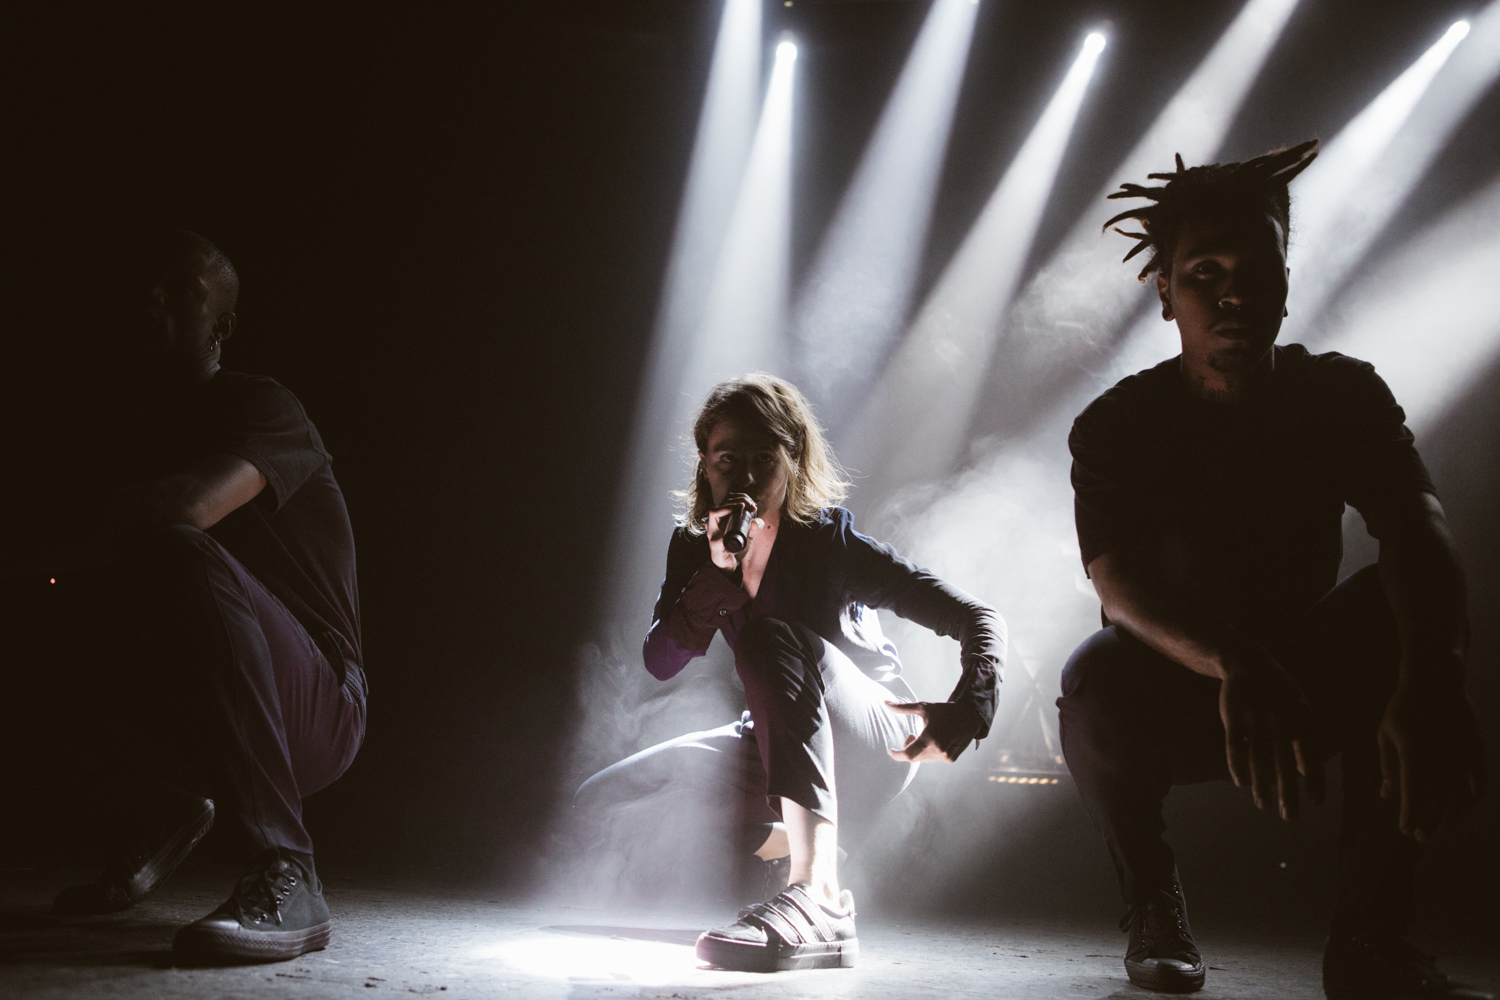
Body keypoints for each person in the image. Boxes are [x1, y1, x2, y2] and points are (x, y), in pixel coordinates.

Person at [1058, 142, 1490, 999]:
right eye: (1205, 272)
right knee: (1093, 684)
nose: (1235, 294)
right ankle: (1153, 902)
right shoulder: (1118, 423)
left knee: (1409, 614)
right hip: (1185, 685)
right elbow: (1117, 583)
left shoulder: (1340, 394)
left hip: (1300, 679)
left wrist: (1433, 680)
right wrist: (1233, 661)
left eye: (1258, 270)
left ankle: (1370, 942)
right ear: (1165, 293)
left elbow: (1418, 532)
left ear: (1287, 283)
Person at [2, 231, 366, 963]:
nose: (152, 297)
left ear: (221, 326)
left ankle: (287, 868)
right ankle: (164, 800)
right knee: (40, 602)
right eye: (145, 285)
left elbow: (191, 506)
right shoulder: (119, 435)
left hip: (317, 705)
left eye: (180, 291)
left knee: (174, 544)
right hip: (199, 705)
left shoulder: (262, 405)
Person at [576, 373, 1004, 972]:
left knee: (768, 637)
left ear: (792, 460)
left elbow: (977, 617)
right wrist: (718, 577)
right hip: (773, 741)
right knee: (605, 799)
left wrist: (972, 707)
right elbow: (661, 661)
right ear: (705, 464)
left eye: (763, 459)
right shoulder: (696, 547)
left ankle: (818, 895)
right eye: (727, 460)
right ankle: (782, 853)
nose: (745, 478)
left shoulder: (829, 541)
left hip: (872, 737)